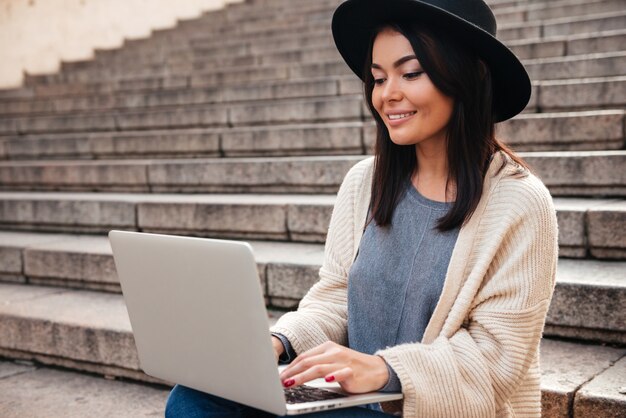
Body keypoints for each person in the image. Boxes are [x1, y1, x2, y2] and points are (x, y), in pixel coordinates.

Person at [165, 0, 559, 416]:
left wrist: (386, 370)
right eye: (377, 77)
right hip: (349, 400)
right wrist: (278, 341)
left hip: (425, 409)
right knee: (194, 397)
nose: (387, 94)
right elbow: (335, 299)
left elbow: (496, 360)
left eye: (410, 73)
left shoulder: (519, 203)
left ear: (464, 76)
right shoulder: (364, 183)